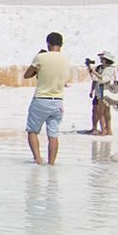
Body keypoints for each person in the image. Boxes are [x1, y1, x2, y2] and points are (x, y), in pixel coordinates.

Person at [24, 32, 69, 165]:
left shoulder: (41, 57)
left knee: (32, 131)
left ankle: (38, 160)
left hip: (41, 99)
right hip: (58, 101)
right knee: (53, 134)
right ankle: (51, 164)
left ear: (47, 43)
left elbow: (27, 75)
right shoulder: (66, 59)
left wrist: (37, 69)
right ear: (61, 44)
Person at [87, 51, 118, 136]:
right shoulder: (108, 69)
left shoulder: (110, 70)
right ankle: (108, 130)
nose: (101, 60)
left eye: (103, 59)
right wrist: (91, 71)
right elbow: (96, 79)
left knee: (102, 112)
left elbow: (103, 79)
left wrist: (94, 72)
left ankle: (103, 132)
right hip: (105, 91)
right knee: (106, 112)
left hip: (104, 91)